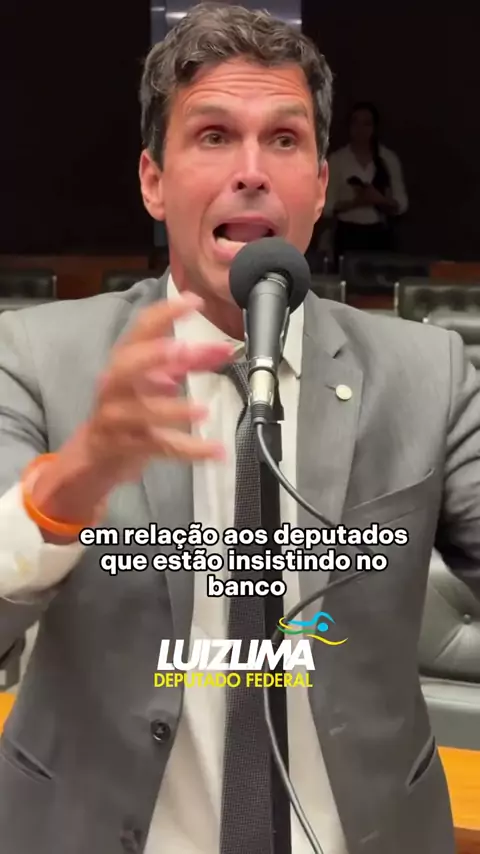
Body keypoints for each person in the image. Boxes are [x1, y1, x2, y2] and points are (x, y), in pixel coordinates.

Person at [0, 4, 476, 853]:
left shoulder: (429, 373)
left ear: (320, 186)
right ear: (154, 181)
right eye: (214, 136)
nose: (251, 171)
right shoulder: (35, 356)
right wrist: (69, 486)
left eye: (284, 139)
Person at [324, 101, 408, 267]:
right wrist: (356, 202)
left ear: (375, 128)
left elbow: (402, 204)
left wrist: (379, 200)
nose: (360, 129)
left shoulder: (388, 159)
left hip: (380, 235)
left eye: (366, 124)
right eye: (355, 123)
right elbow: (327, 207)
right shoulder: (337, 160)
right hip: (347, 234)